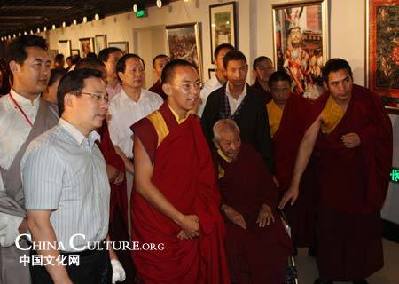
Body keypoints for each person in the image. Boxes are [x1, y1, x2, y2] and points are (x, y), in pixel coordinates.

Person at [279, 59, 393, 284]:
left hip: (362, 178)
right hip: (332, 180)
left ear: (351, 78)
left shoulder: (367, 99)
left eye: (346, 81)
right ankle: (328, 274)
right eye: (335, 84)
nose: (342, 89)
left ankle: (358, 274)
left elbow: (384, 131)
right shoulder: (323, 107)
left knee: (360, 230)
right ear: (326, 86)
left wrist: (362, 137)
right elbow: (307, 144)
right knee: (330, 230)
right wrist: (295, 183)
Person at [130, 59, 230, 283]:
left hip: (192, 220)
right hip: (159, 223)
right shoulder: (148, 128)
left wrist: (196, 218)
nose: (194, 92)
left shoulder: (193, 123)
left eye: (197, 84)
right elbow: (143, 186)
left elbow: (203, 179)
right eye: (186, 86)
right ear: (166, 89)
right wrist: (180, 219)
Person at [22, 68, 123, 284]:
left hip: (97, 259)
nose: (105, 104)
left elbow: (96, 211)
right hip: (62, 263)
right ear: (69, 99)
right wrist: (61, 279)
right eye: (96, 97)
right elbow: (38, 223)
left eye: (105, 97)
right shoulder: (46, 149)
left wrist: (111, 256)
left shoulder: (93, 148)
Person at [0, 35, 58, 284]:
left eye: (48, 65)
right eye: (38, 64)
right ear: (15, 67)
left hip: (56, 221)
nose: (45, 71)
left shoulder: (57, 113)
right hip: (14, 223)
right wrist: (20, 223)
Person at [74, 57, 136, 283]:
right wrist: (107, 169)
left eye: (101, 76)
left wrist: (118, 169)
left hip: (111, 183)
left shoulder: (100, 113)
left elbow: (108, 145)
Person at [214, 119, 292, 284]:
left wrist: (267, 206)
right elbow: (208, 194)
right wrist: (226, 209)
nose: (234, 147)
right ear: (216, 143)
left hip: (257, 210)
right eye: (227, 143)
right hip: (228, 217)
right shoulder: (211, 161)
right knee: (235, 244)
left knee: (272, 235)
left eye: (237, 140)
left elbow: (268, 184)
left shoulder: (249, 153)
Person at [266, 70, 317, 251]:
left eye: (285, 89)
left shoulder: (303, 106)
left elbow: (313, 136)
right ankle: (289, 243)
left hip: (304, 165)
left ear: (292, 88)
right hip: (281, 166)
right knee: (285, 208)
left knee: (308, 206)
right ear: (269, 90)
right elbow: (266, 146)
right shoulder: (265, 110)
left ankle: (312, 242)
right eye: (276, 90)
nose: (281, 95)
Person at [201, 50, 273, 170]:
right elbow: (206, 133)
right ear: (225, 71)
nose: (238, 75)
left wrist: (268, 169)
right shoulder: (215, 98)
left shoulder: (257, 99)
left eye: (242, 69)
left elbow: (263, 137)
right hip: (220, 165)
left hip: (249, 164)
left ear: (247, 69)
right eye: (233, 70)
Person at [198, 43, 234, 116]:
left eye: (230, 58)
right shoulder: (205, 91)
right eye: (223, 57)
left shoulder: (240, 88)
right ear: (215, 61)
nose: (227, 61)